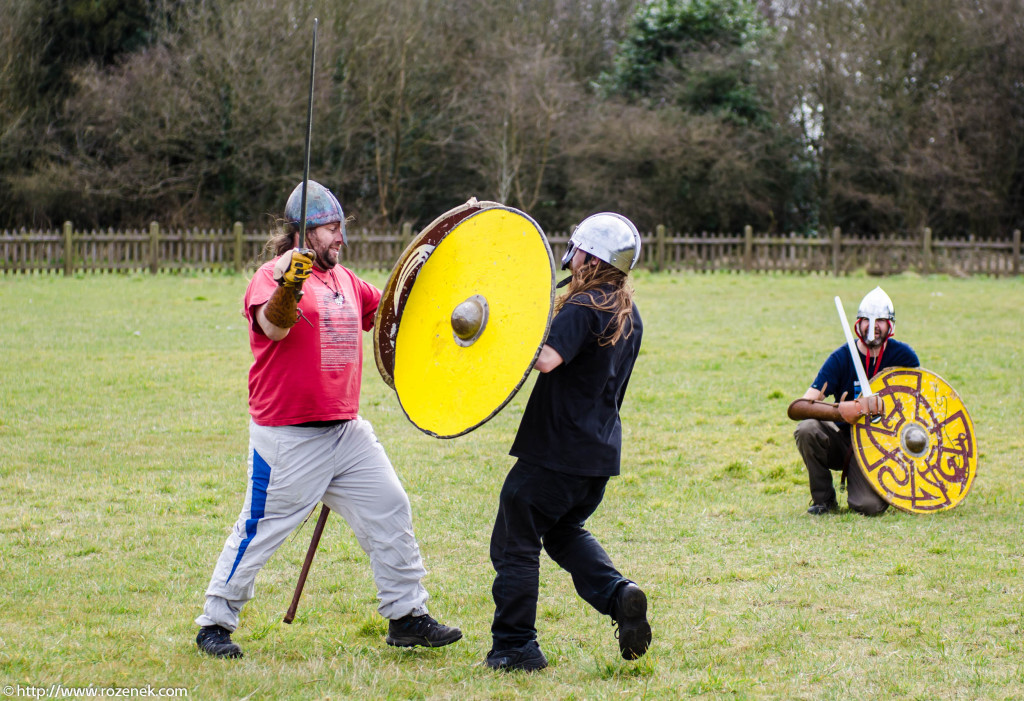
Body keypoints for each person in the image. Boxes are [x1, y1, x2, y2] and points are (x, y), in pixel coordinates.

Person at [194, 180, 461, 658]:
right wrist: (290, 284)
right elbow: (273, 327)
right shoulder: (270, 278)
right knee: (260, 528)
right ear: (302, 234)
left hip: (346, 432)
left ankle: (406, 615)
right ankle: (215, 622)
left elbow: (390, 317)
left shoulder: (347, 280)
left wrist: (425, 278)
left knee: (391, 506)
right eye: (329, 228)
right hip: (288, 436)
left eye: (340, 227)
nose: (339, 236)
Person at [485, 213, 652, 672]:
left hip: (555, 453)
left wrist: (492, 329)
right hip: (597, 456)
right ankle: (620, 597)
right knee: (561, 531)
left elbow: (546, 359)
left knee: (514, 542)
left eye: (577, 249)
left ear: (590, 256)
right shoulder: (625, 309)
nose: (571, 257)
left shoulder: (586, 305)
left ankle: (515, 647)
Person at [788, 287, 919, 516]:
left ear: (891, 326)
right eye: (867, 320)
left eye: (880, 320)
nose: (874, 326)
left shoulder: (904, 358)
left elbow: (919, 406)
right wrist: (840, 412)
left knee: (867, 507)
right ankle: (824, 501)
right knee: (807, 429)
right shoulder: (841, 357)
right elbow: (799, 408)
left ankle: (872, 488)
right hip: (844, 441)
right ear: (858, 324)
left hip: (883, 448)